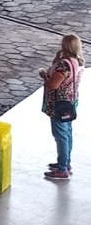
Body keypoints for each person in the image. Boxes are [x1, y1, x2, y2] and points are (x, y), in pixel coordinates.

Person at [40, 33, 84, 181]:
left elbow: (53, 84)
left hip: (59, 104)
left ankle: (62, 169)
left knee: (61, 136)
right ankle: (65, 163)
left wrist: (44, 75)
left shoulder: (64, 65)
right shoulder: (76, 61)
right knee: (67, 133)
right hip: (70, 102)